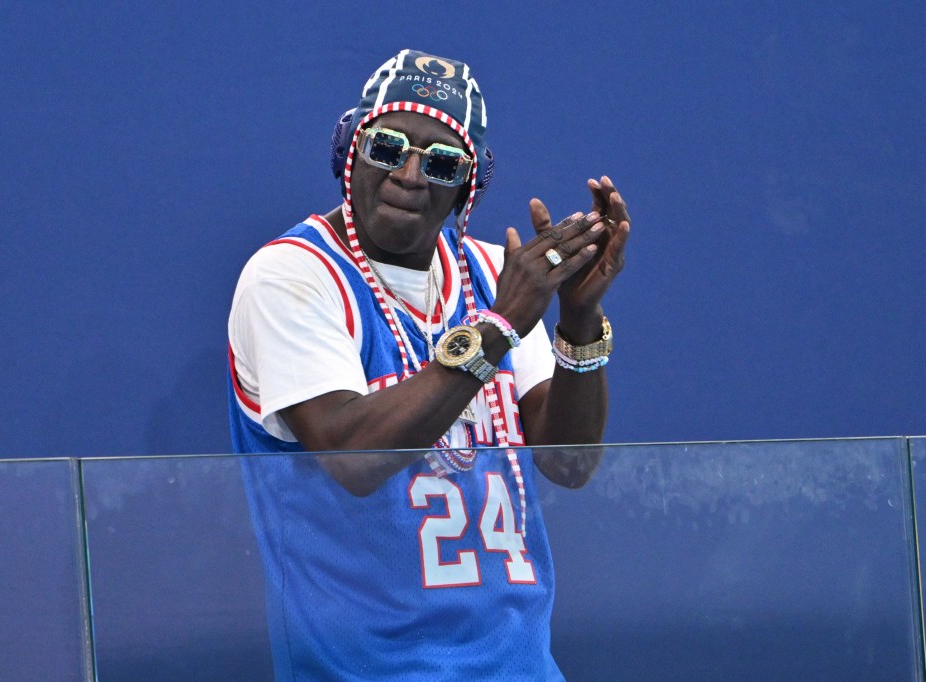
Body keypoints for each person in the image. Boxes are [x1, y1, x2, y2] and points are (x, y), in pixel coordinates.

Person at [228, 49, 630, 680]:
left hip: (520, 666)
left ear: (468, 184)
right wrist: (498, 327)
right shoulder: (292, 276)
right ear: (349, 150)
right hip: (364, 669)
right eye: (388, 148)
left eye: (441, 162)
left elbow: (567, 462)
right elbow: (351, 456)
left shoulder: (494, 272)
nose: (410, 175)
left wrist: (576, 321)